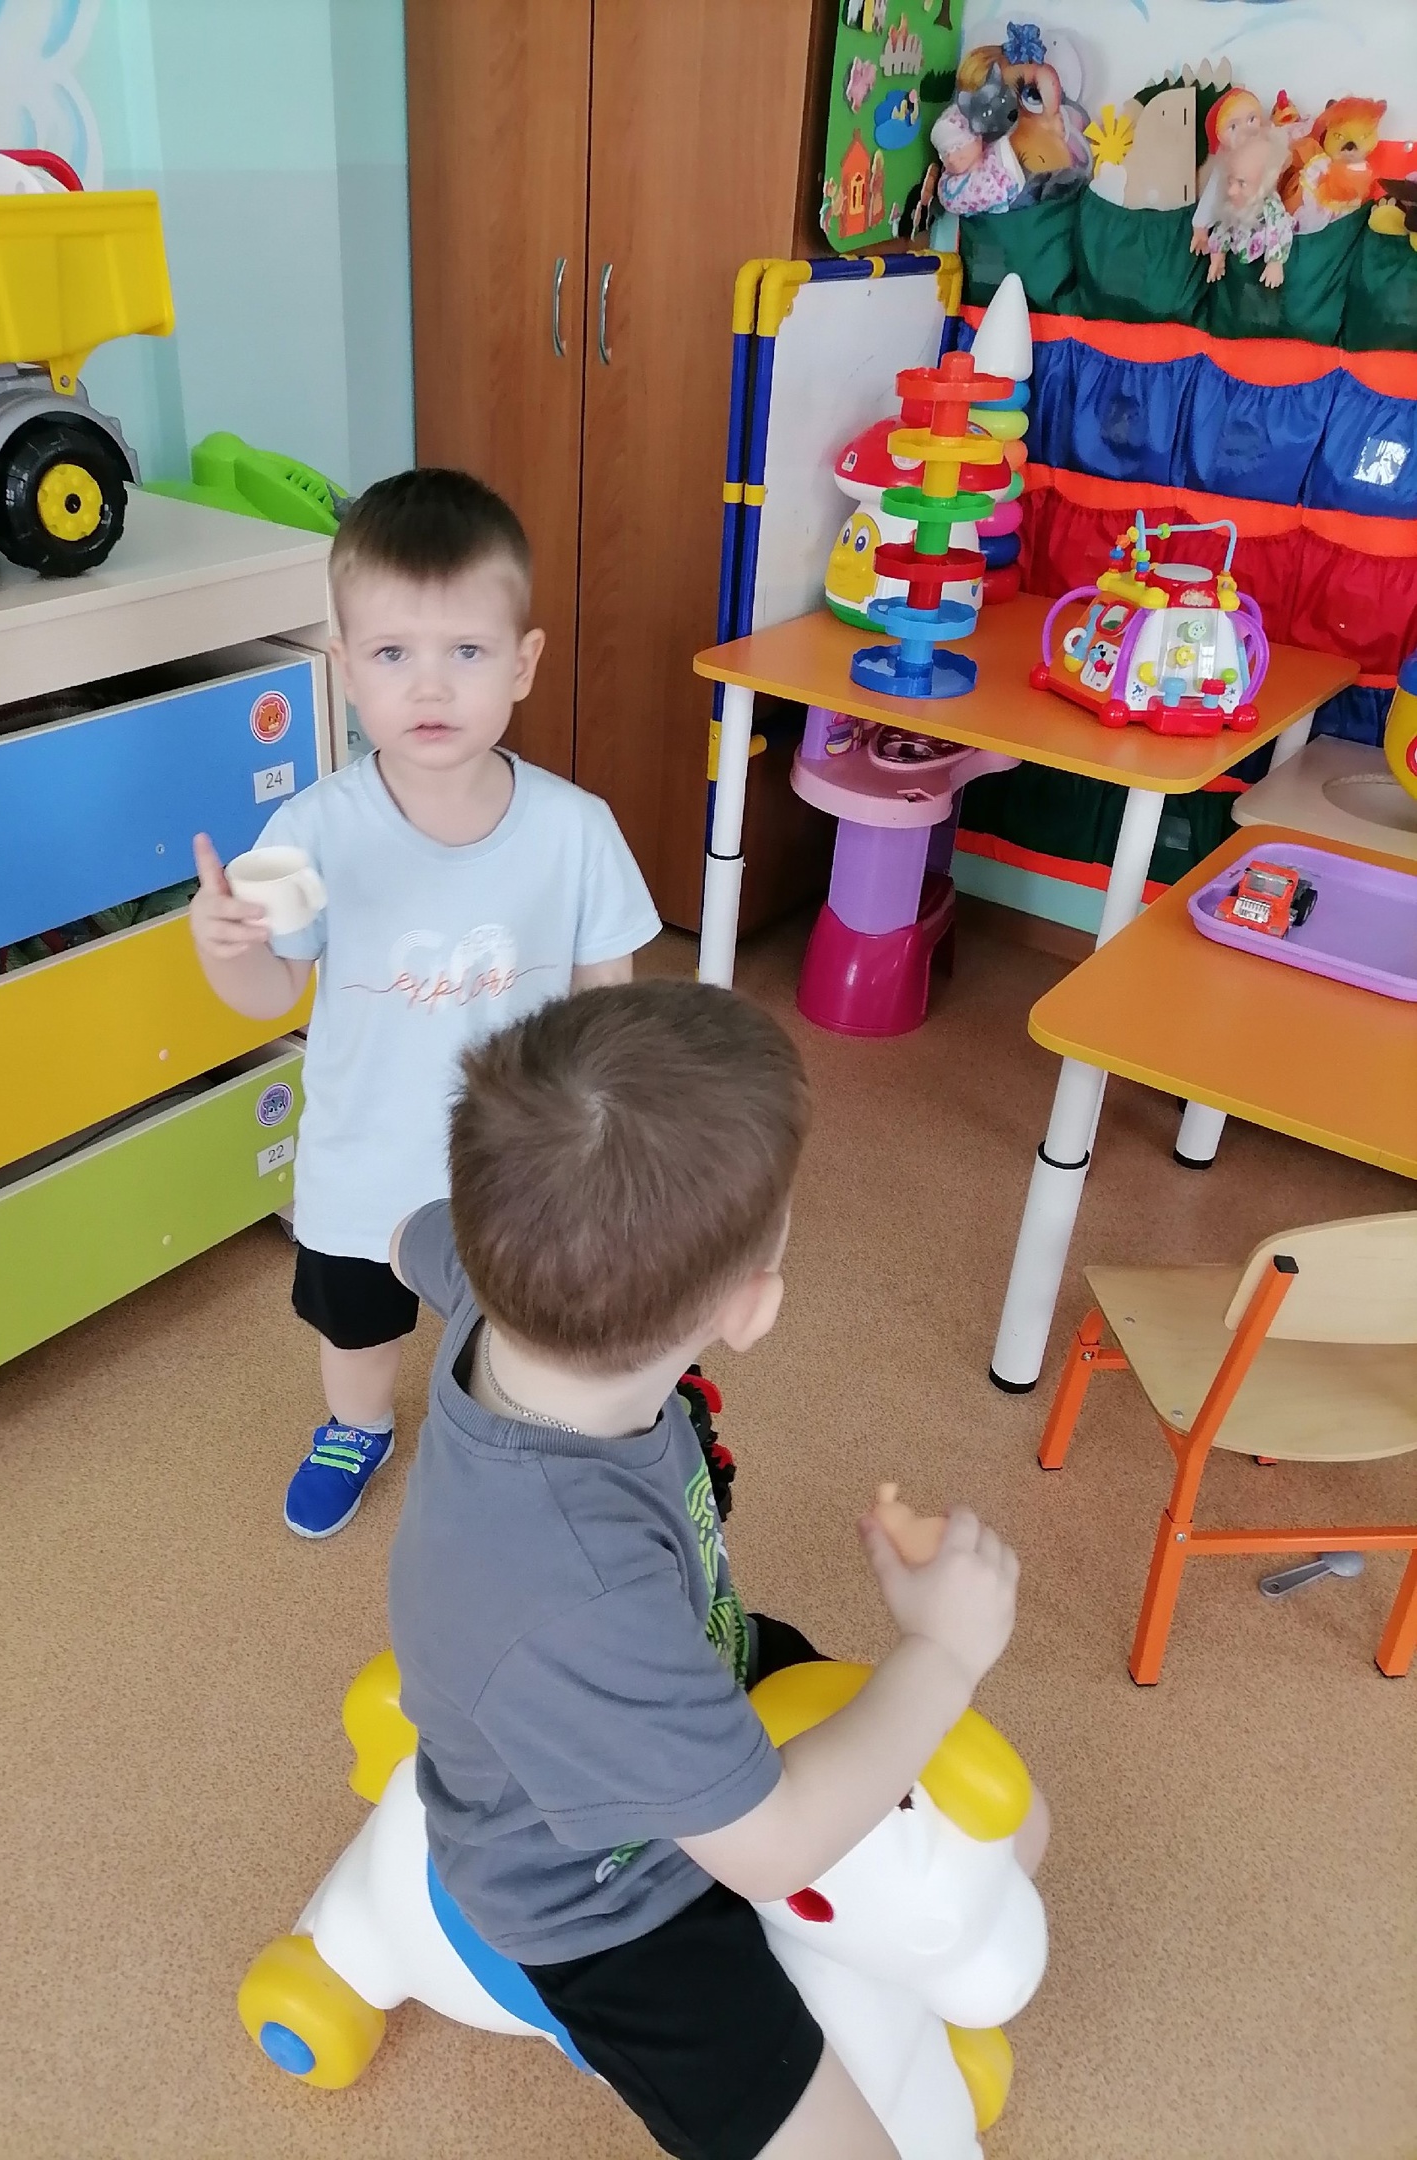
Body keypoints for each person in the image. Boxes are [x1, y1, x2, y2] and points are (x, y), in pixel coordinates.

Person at [387, 981, 1046, 2160]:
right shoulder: (576, 1595)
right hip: (600, 1891)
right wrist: (943, 1654)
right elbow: (772, 1843)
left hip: (696, 1656)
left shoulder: (500, 1276)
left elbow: (408, 1238)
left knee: (1008, 1830)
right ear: (752, 1306)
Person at [188, 470, 661, 1537]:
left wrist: (606, 1152)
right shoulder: (308, 833)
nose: (432, 686)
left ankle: (514, 1450)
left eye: (468, 652)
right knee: (356, 1329)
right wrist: (226, 949)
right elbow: (269, 994)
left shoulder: (576, 831)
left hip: (515, 1168)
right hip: (361, 1162)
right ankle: (357, 1427)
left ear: (523, 663)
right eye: (394, 654)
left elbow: (607, 1012)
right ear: (346, 668)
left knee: (520, 1334)